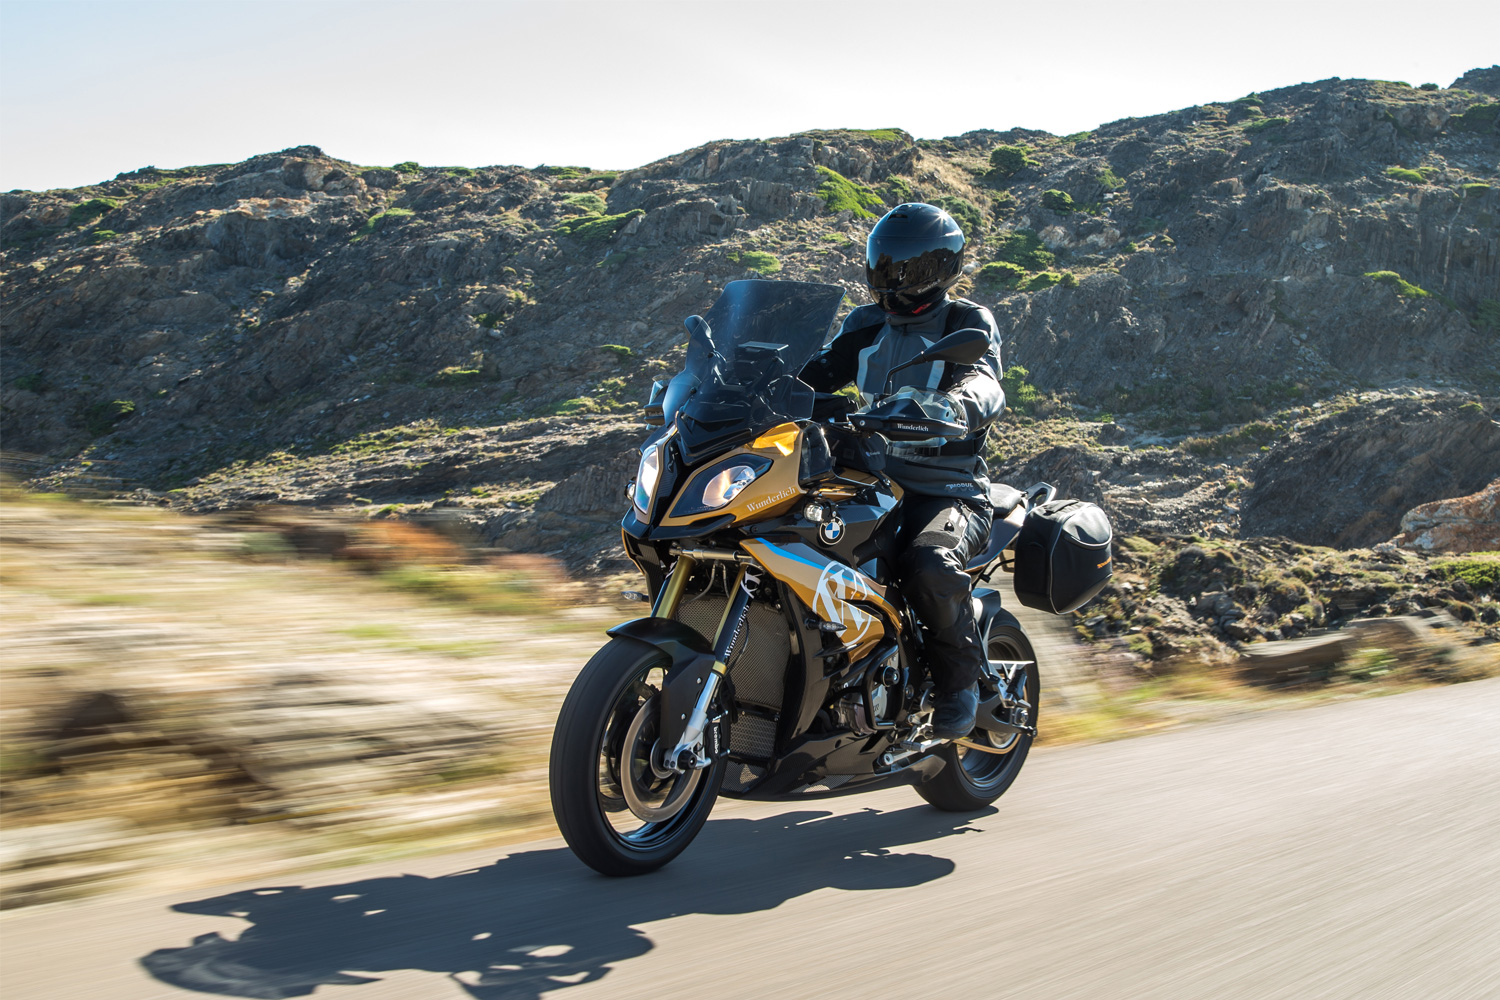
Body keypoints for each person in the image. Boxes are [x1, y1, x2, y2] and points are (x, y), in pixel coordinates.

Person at [800, 203, 1006, 740]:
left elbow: (985, 379)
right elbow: (814, 373)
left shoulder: (966, 322)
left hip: (946, 489)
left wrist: (958, 404)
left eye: (908, 267)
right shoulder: (864, 324)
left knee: (930, 563)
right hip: (867, 478)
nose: (893, 278)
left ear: (940, 268)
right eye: (885, 263)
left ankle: (960, 686)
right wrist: (754, 383)